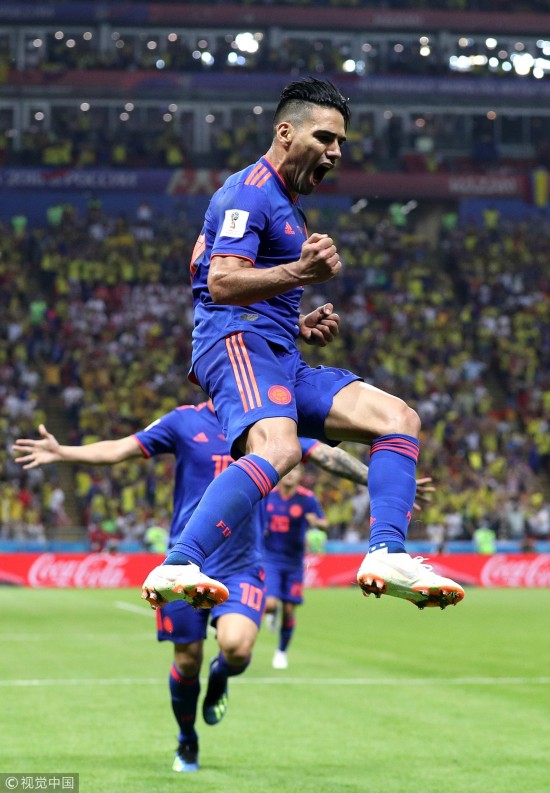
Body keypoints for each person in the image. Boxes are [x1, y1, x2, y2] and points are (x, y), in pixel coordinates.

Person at [142, 76, 464, 613]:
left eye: (340, 142)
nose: (335, 152)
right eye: (325, 138)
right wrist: (299, 273)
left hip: (276, 351)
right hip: (234, 343)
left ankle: (387, 553)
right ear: (286, 133)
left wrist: (295, 322)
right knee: (280, 448)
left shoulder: (287, 205)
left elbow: (249, 285)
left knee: (398, 418)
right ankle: (179, 561)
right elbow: (221, 282)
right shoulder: (249, 192)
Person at [14, 407, 424, 770]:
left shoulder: (267, 421)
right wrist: (63, 452)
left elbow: (324, 455)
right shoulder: (183, 421)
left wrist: (384, 478)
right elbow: (122, 448)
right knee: (186, 660)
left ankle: (221, 676)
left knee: (237, 649)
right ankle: (187, 739)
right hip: (184, 567)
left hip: (241, 566)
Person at [262, 460, 327, 670]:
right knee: (270, 604)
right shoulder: (268, 496)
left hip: (294, 562)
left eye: (295, 470)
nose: (290, 474)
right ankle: (272, 613)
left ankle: (281, 652)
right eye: (288, 470)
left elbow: (324, 523)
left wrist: (315, 523)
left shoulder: (307, 499)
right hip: (270, 559)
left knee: (289, 610)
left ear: (300, 475)